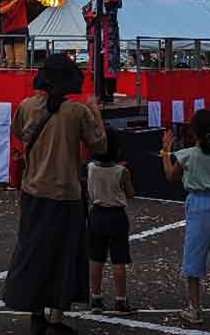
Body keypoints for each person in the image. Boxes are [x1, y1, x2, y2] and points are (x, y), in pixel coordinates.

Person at [4, 54, 107, 335]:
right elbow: (99, 146)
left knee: (34, 251)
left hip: (33, 191)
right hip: (66, 194)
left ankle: (35, 311)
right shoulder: (77, 112)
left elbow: (18, 133)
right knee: (64, 255)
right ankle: (56, 316)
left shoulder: (26, 106)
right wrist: (95, 110)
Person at [161, 111, 210, 326]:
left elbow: (170, 176)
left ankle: (195, 309)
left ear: (194, 134)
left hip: (197, 204)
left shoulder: (187, 155)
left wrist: (165, 151)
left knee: (194, 254)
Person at [86, 129, 136, 315]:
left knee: (96, 258)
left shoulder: (91, 168)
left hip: (96, 213)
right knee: (119, 260)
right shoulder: (122, 171)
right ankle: (120, 300)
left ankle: (96, 298)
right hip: (116, 216)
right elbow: (130, 194)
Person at [82, 0, 122, 102]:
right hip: (96, 38)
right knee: (97, 66)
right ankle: (99, 94)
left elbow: (116, 2)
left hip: (108, 39)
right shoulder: (93, 2)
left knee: (109, 67)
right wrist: (93, 15)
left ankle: (109, 95)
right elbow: (85, 12)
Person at [0, 0, 29, 69]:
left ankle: (20, 78)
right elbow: (2, 11)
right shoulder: (5, 3)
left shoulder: (23, 1)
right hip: (8, 32)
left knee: (19, 62)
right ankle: (9, 79)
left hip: (20, 31)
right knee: (9, 61)